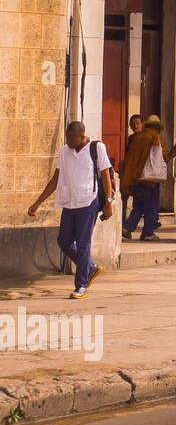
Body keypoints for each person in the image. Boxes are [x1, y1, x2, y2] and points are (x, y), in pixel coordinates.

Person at [28, 122, 114, 299]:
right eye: (67, 138)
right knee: (64, 241)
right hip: (70, 203)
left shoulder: (96, 148)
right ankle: (89, 268)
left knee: (83, 245)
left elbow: (106, 177)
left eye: (71, 138)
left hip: (88, 202)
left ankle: (81, 285)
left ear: (82, 136)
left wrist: (109, 202)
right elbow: (56, 179)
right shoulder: (65, 151)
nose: (68, 141)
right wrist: (37, 203)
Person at [120, 115, 168, 240]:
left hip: (136, 178)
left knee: (138, 206)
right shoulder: (154, 137)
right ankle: (148, 233)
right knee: (151, 206)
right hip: (149, 179)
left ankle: (127, 228)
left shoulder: (137, 138)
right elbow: (159, 157)